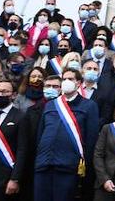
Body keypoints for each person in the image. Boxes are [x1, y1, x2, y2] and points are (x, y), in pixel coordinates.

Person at [33, 71, 100, 201]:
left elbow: (91, 139)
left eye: (70, 79)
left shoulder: (89, 105)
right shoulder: (51, 105)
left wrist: (86, 165)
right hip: (44, 163)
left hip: (68, 165)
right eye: (64, 79)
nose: (66, 82)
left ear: (78, 83)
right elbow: (40, 134)